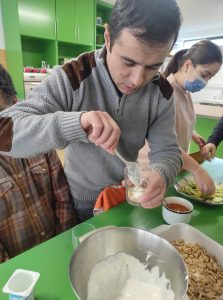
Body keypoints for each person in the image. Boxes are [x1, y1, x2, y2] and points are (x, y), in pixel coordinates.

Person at [0, 0, 183, 222]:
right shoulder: (73, 76)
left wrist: (161, 173)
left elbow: (169, 152)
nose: (137, 80)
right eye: (128, 62)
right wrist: (76, 123)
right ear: (108, 38)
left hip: (126, 198)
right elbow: (5, 132)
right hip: (81, 203)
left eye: (153, 66)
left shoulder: (162, 92)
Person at [0, 64, 77, 262]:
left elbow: (63, 198)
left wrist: (63, 246)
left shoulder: (37, 141)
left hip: (59, 248)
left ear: (15, 106)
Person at [163, 40, 222, 195]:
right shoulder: (165, 92)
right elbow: (166, 142)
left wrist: (192, 133)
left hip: (175, 168)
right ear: (188, 65)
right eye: (205, 74)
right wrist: (197, 169)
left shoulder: (183, 91)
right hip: (157, 172)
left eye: (210, 77)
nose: (205, 82)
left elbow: (175, 121)